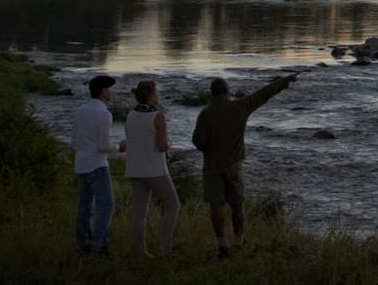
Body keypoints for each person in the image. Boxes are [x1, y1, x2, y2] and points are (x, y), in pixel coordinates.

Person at [191, 72, 298, 258]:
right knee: (237, 205)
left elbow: (198, 142)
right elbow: (264, 93)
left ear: (212, 93)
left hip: (211, 166)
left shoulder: (205, 114)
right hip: (234, 165)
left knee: (216, 205)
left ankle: (222, 245)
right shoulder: (240, 107)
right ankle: (239, 242)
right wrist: (284, 81)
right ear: (227, 91)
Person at [123, 79, 180, 256]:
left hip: (134, 168)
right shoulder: (158, 116)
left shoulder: (131, 115)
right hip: (155, 169)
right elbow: (162, 146)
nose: (159, 95)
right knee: (173, 205)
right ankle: (166, 248)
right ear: (151, 96)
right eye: (157, 92)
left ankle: (140, 251)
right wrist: (170, 143)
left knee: (140, 212)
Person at [72, 73, 116, 255]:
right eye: (109, 89)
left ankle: (83, 243)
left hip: (80, 163)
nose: (111, 92)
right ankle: (99, 245)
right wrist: (119, 147)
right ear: (103, 91)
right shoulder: (104, 114)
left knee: (84, 206)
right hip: (97, 164)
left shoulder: (80, 110)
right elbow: (104, 146)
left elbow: (73, 142)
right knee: (106, 205)